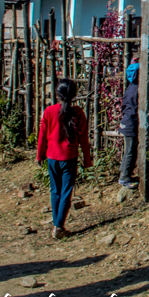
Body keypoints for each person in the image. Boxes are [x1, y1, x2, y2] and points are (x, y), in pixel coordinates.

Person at [36, 79, 92, 239]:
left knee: (55, 191)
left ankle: (57, 224)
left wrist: (39, 155)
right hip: (69, 158)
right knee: (66, 192)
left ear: (57, 94)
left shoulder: (49, 111)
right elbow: (83, 140)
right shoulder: (78, 113)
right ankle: (59, 226)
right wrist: (87, 161)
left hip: (52, 157)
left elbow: (43, 136)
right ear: (74, 95)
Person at [119, 60, 139, 189]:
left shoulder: (131, 86)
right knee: (130, 151)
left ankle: (124, 172)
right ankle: (124, 177)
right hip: (130, 122)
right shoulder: (137, 88)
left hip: (126, 121)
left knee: (129, 150)